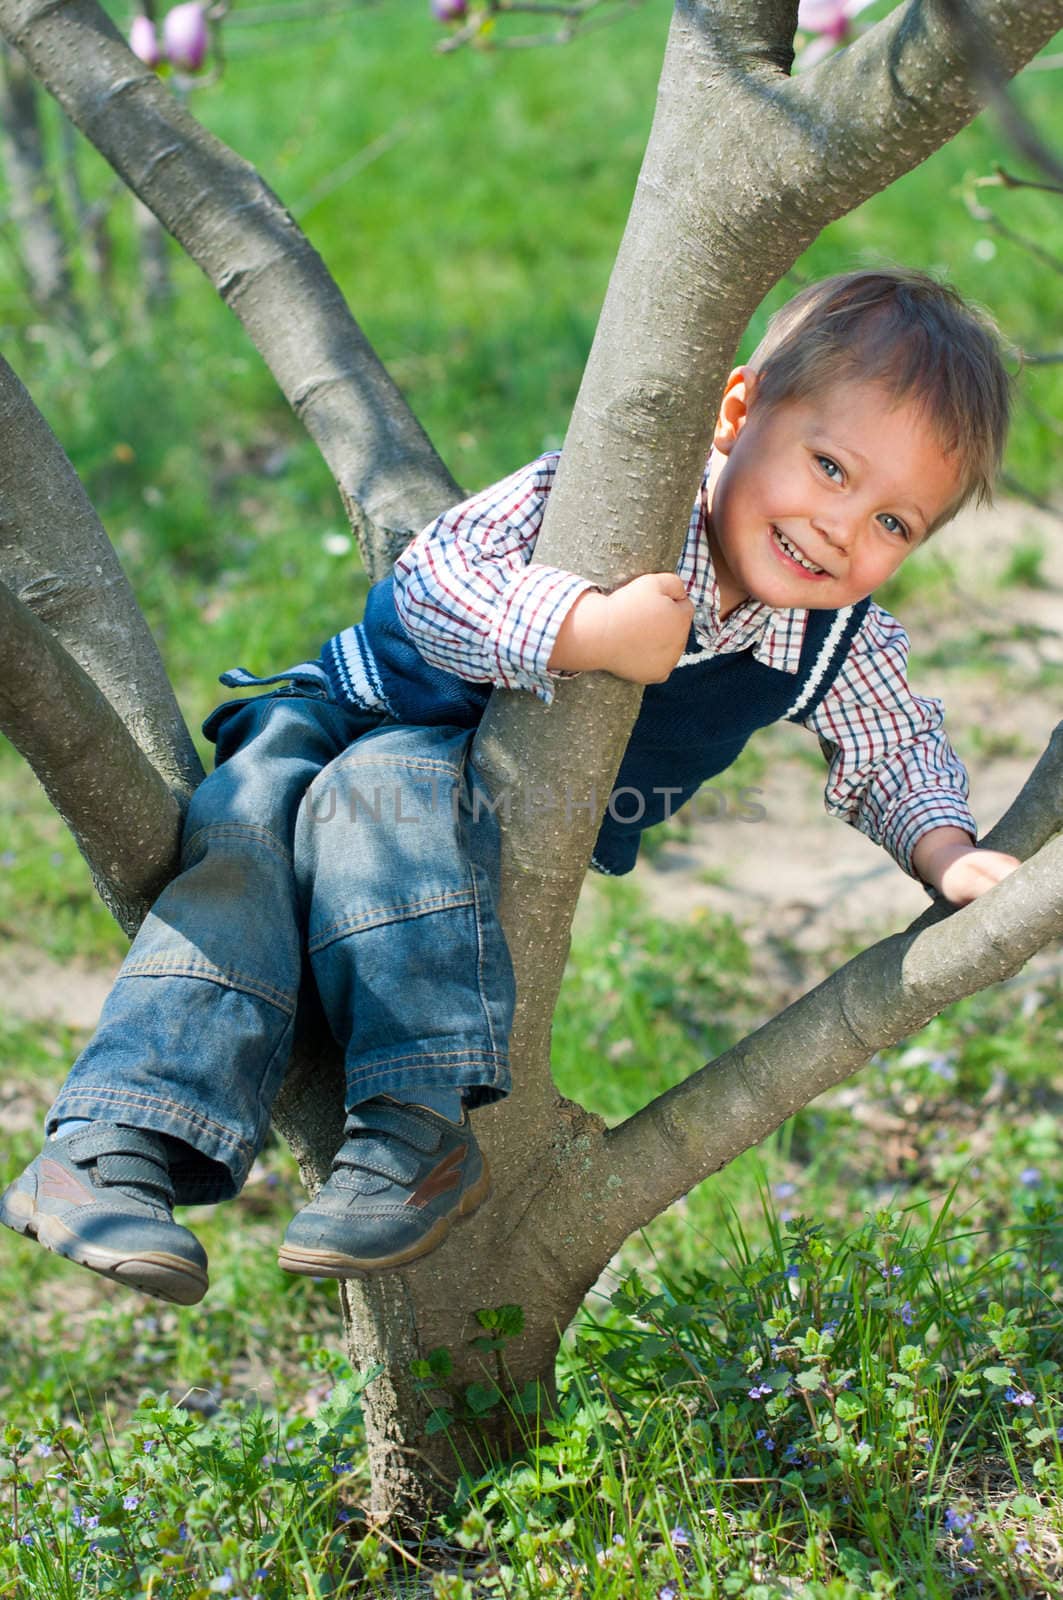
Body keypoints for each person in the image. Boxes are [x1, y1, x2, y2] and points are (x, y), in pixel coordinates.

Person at [0, 268, 1020, 1305]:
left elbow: (892, 742)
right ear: (738, 410)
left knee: (385, 807)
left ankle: (410, 1137)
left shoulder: (828, 635)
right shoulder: (611, 502)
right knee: (243, 853)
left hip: (464, 806)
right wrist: (588, 631)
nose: (844, 528)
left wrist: (944, 845)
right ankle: (112, 1143)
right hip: (351, 715)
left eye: (896, 523)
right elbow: (434, 581)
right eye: (830, 467)